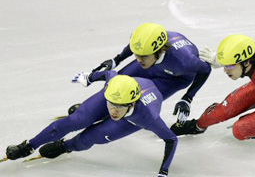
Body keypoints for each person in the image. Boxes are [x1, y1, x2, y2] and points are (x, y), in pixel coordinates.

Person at [5, 71, 181, 177]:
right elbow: (109, 73)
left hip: (132, 118)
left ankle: (65, 146)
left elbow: (171, 139)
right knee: (75, 121)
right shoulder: (113, 86)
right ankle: (29, 146)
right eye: (111, 104)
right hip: (118, 91)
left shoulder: (148, 117)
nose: (113, 110)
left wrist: (163, 174)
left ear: (132, 104)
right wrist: (89, 77)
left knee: (91, 137)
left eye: (118, 107)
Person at [72, 22, 211, 125]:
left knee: (139, 100)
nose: (138, 60)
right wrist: (116, 60)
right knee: (118, 82)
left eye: (142, 56)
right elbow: (135, 46)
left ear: (159, 50)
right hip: (155, 65)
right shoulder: (146, 44)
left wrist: (188, 98)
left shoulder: (186, 61)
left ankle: (104, 117)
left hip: (175, 78)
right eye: (137, 55)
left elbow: (206, 69)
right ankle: (93, 108)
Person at [171, 34, 255, 140]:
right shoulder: (251, 53)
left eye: (230, 66)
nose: (225, 70)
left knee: (240, 130)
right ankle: (196, 126)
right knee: (221, 112)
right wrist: (220, 59)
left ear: (246, 63)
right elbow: (245, 46)